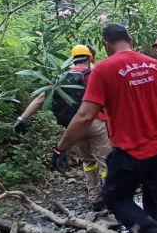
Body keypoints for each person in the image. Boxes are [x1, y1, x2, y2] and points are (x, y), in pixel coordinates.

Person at [53, 24, 157, 233]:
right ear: (130, 40)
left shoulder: (104, 69)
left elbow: (85, 116)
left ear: (105, 45)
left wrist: (61, 148)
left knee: (115, 196)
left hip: (130, 151)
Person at [13, 44, 110, 210]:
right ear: (89, 58)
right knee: (105, 163)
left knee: (88, 162)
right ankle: (111, 198)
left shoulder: (61, 79)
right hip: (96, 122)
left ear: (72, 59)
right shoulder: (94, 74)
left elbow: (40, 99)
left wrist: (22, 119)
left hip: (75, 127)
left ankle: (95, 199)